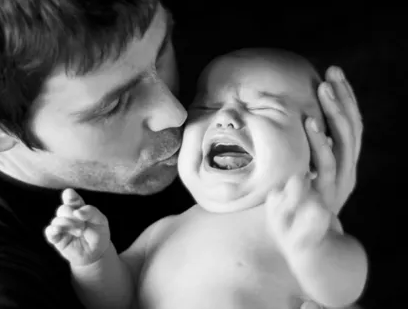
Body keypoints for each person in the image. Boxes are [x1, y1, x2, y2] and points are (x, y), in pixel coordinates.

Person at [0, 0, 363, 308]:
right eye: (112, 105)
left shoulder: (238, 69)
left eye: (164, 51)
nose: (178, 114)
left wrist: (316, 239)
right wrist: (94, 261)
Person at [46, 48, 367, 309]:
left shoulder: (297, 225)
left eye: (264, 108)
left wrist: (314, 251)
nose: (225, 118)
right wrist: (95, 259)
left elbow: (345, 288)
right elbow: (116, 299)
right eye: (205, 107)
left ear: (315, 153)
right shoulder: (164, 231)